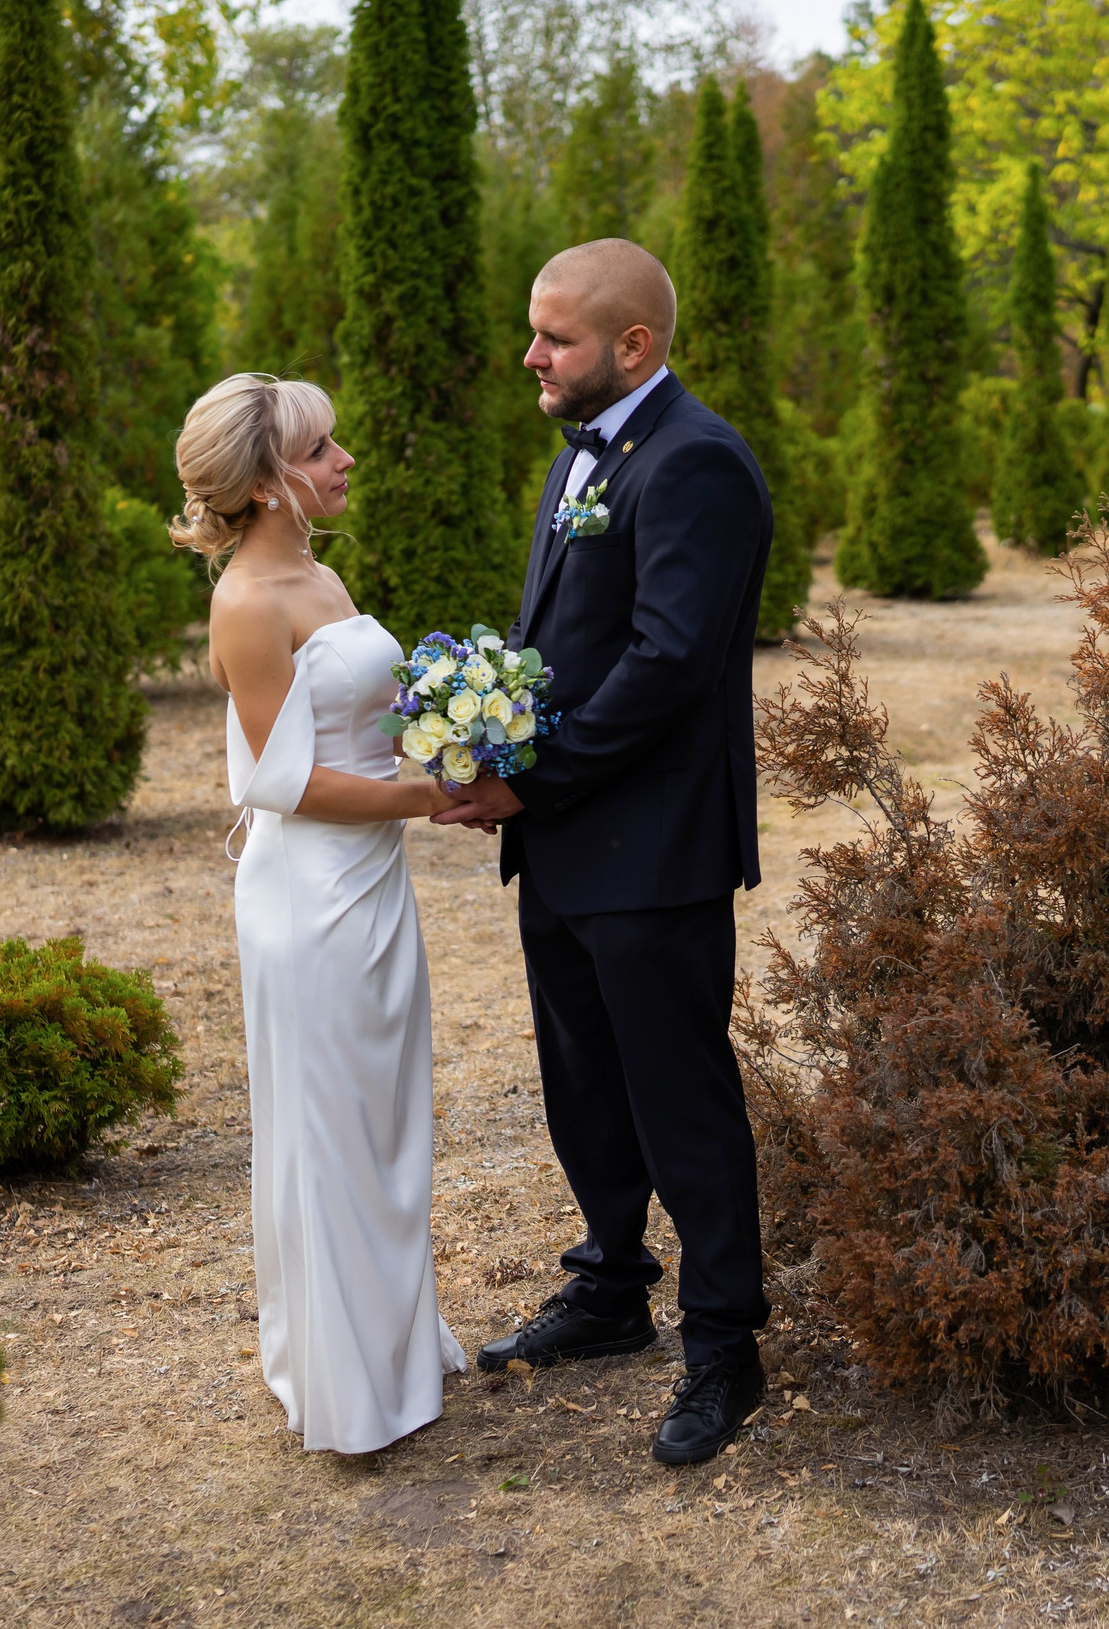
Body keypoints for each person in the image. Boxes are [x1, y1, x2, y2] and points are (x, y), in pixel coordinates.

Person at [431, 240, 773, 1467]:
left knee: (682, 1103)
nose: (531, 355)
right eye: (534, 331)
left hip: (655, 849)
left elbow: (669, 666)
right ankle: (613, 1287)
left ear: (632, 346)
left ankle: (725, 1344)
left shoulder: (695, 465)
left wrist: (530, 776)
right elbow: (568, 643)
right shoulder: (588, 449)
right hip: (571, 844)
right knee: (583, 1083)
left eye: (556, 337)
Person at [171, 373, 467, 1455]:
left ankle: (390, 1341)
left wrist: (458, 739)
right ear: (264, 483)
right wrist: (434, 799)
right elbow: (283, 784)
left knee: (385, 1114)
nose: (344, 460)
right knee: (331, 1125)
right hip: (312, 894)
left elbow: (361, 726)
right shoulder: (250, 604)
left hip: (371, 877)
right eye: (321, 447)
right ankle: (350, 1387)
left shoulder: (322, 575)